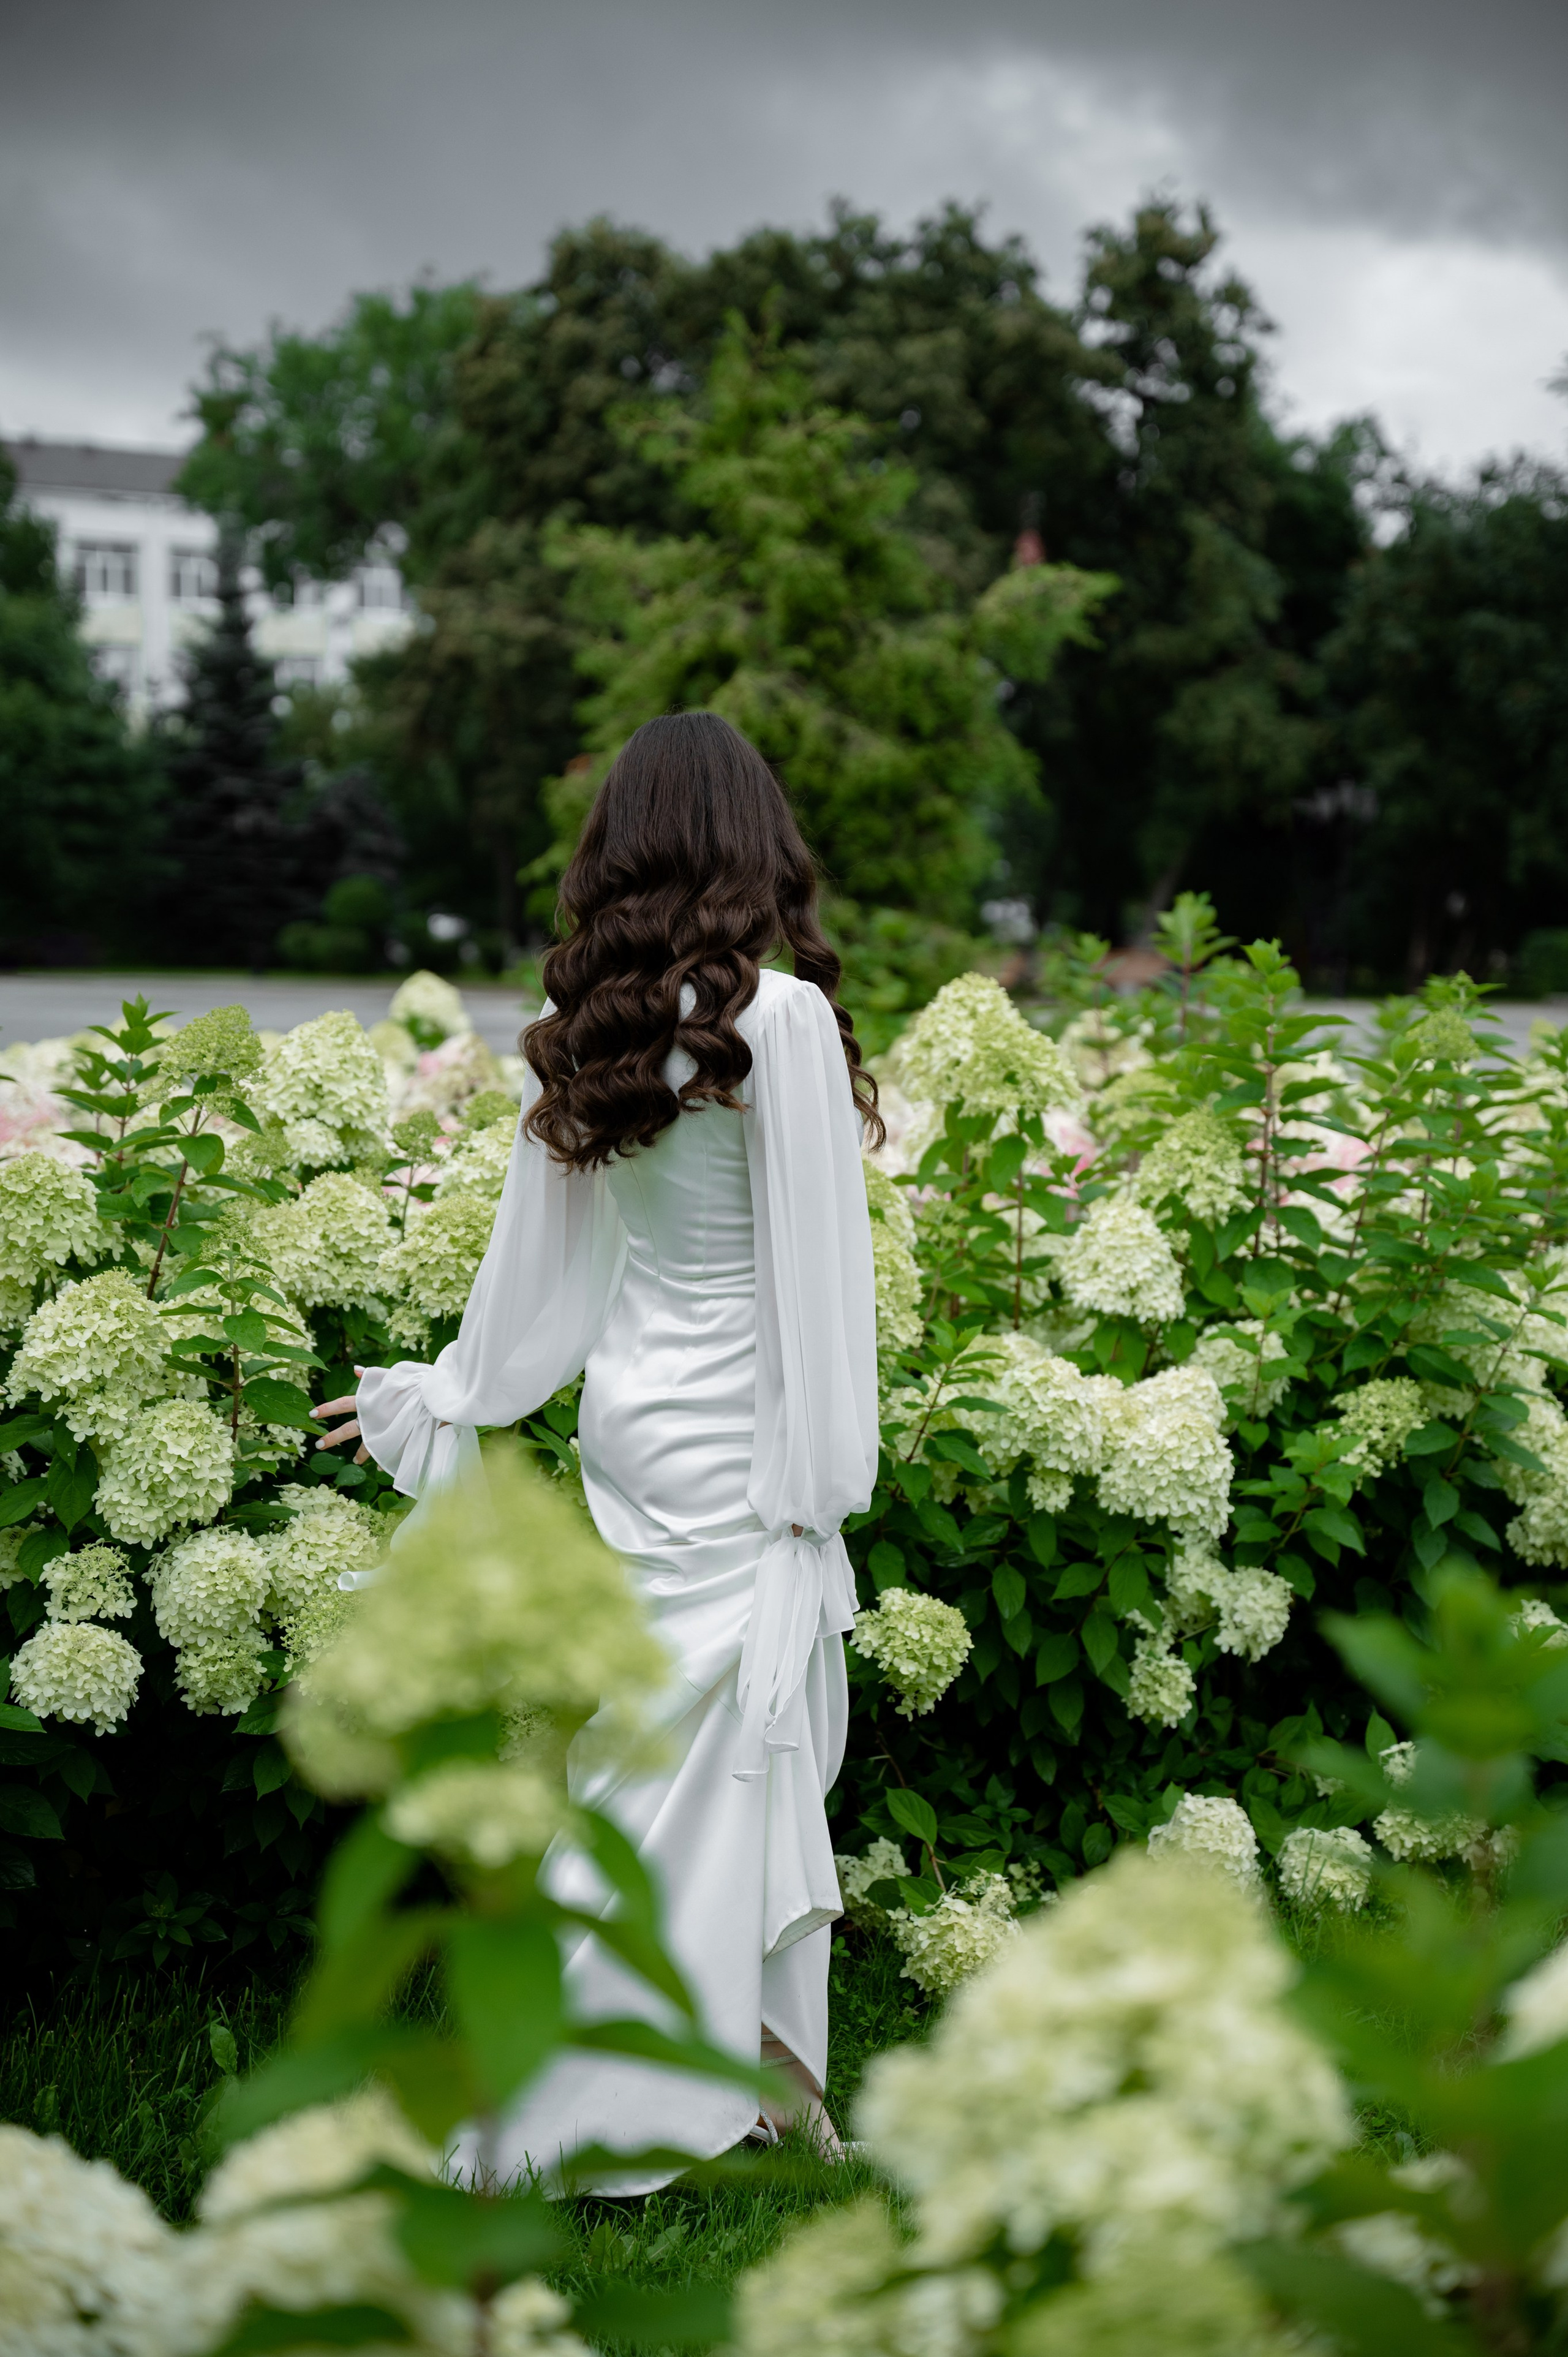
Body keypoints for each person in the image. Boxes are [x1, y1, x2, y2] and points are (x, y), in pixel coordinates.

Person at [313, 711, 880, 2189]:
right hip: (751, 1450)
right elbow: (819, 1280)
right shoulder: (783, 1025)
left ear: (618, 847)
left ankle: (747, 2081)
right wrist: (816, 1493)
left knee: (647, 1778)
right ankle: (635, 2091)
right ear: (753, 841)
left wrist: (451, 1392)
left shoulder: (584, 1038)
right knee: (730, 1772)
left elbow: (541, 1285)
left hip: (637, 1440)